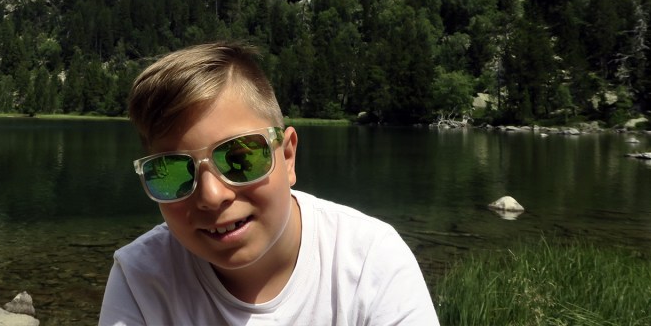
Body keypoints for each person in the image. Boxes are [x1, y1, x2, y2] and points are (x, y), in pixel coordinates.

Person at [99, 42, 439, 325]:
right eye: (172, 172)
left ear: (287, 156)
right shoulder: (140, 279)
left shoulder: (370, 262)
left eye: (240, 158)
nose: (212, 196)